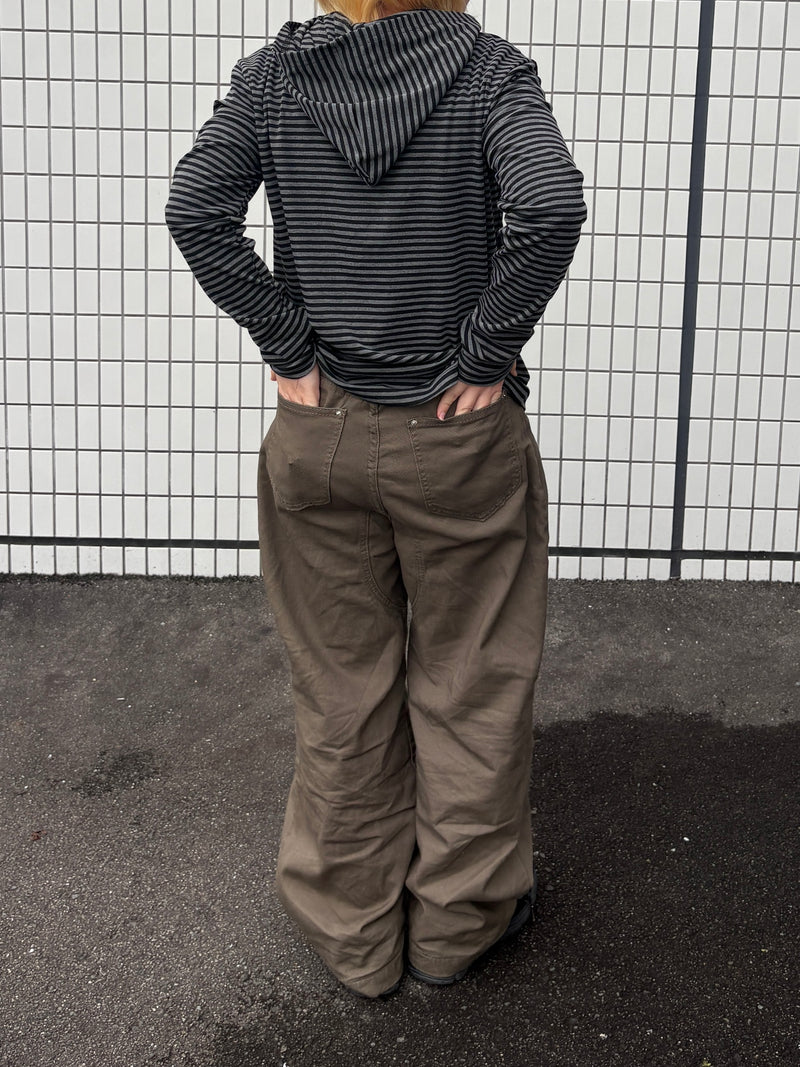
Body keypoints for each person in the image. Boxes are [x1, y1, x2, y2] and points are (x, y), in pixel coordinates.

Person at [165, 0, 587, 999]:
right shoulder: (489, 73)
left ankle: (352, 934)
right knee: (471, 680)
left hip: (321, 438)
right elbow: (549, 204)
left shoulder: (273, 78)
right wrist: (484, 352)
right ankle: (456, 926)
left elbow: (195, 208)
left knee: (342, 685)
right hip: (457, 440)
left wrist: (288, 346)